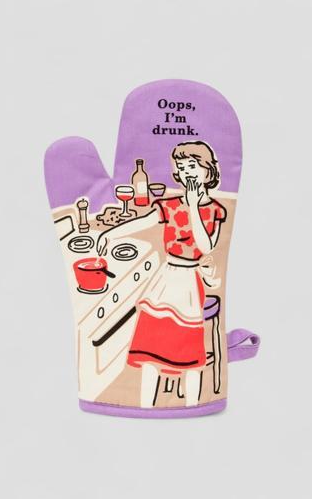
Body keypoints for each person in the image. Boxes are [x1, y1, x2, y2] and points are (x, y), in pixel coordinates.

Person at [97, 141, 227, 407]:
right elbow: (143, 221)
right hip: (165, 280)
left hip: (189, 285)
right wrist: (110, 234)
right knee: (150, 353)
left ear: (208, 171)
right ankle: (146, 407)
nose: (187, 172)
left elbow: (205, 246)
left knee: (191, 358)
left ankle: (194, 407)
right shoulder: (169, 205)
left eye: (193, 166)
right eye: (182, 167)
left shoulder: (215, 210)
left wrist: (193, 206)